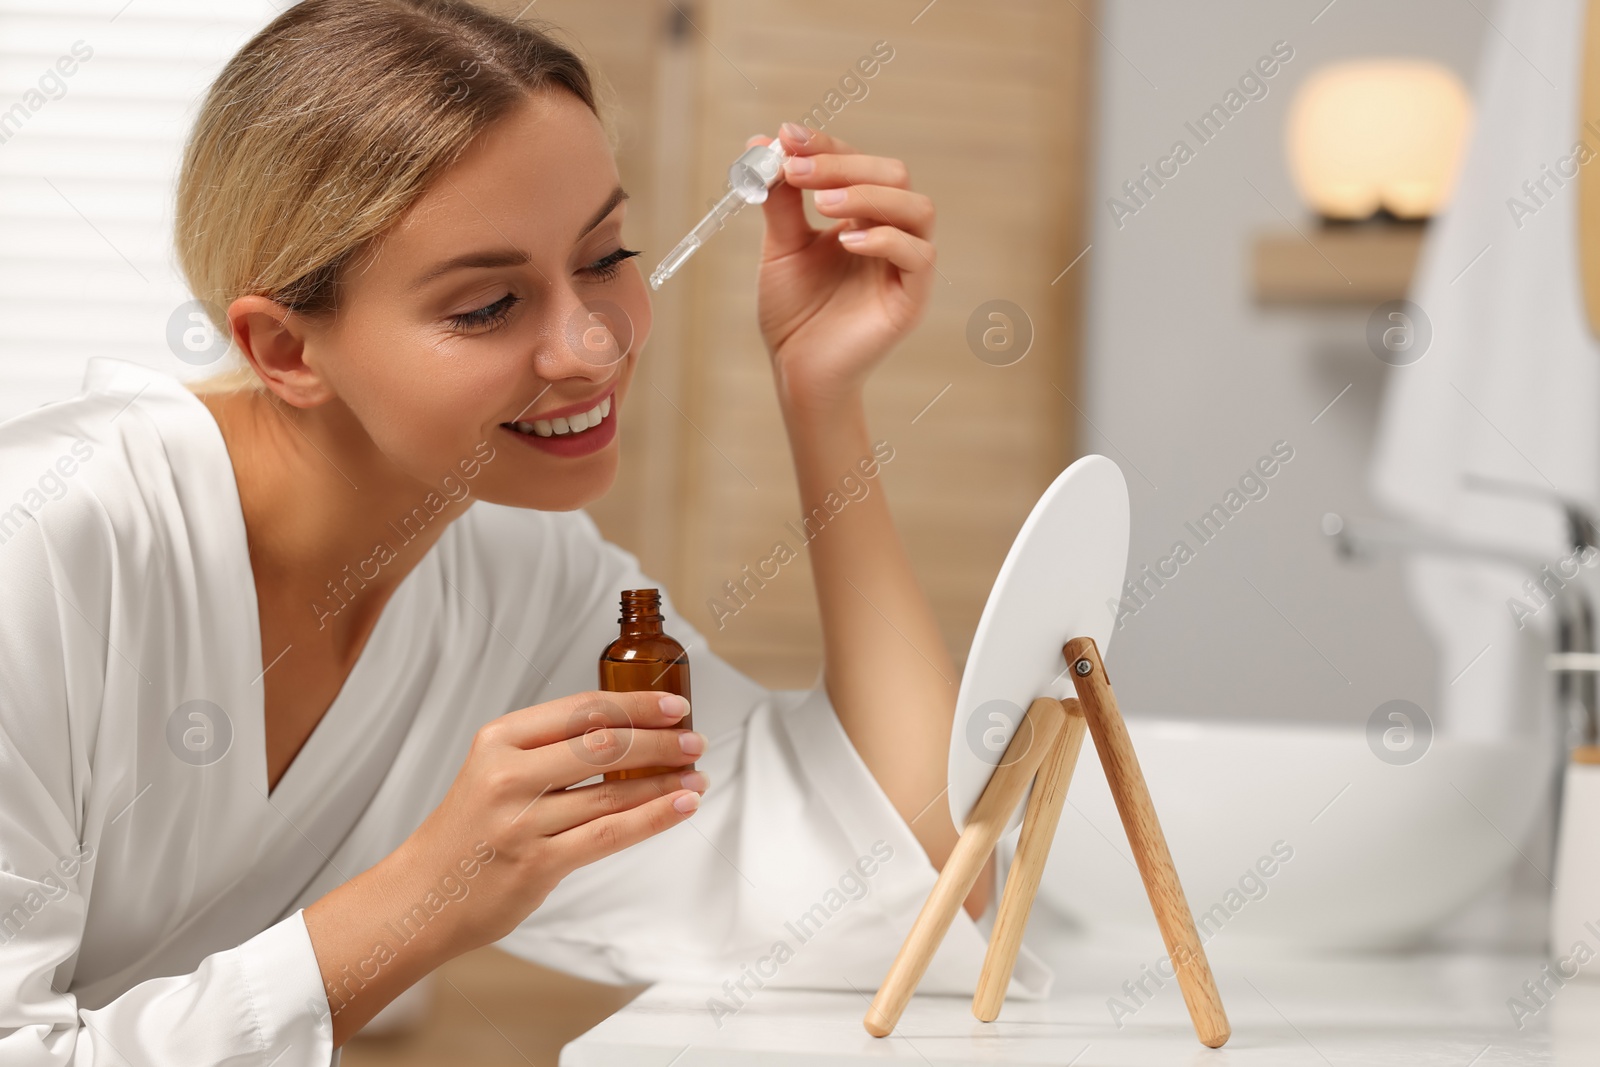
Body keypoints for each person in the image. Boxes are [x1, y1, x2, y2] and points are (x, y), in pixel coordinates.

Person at [0, 1, 1019, 1061]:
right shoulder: (40, 548)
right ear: (287, 350)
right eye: (487, 304)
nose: (590, 344)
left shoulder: (521, 583)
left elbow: (915, 880)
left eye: (604, 254)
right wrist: (421, 901)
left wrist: (822, 396)